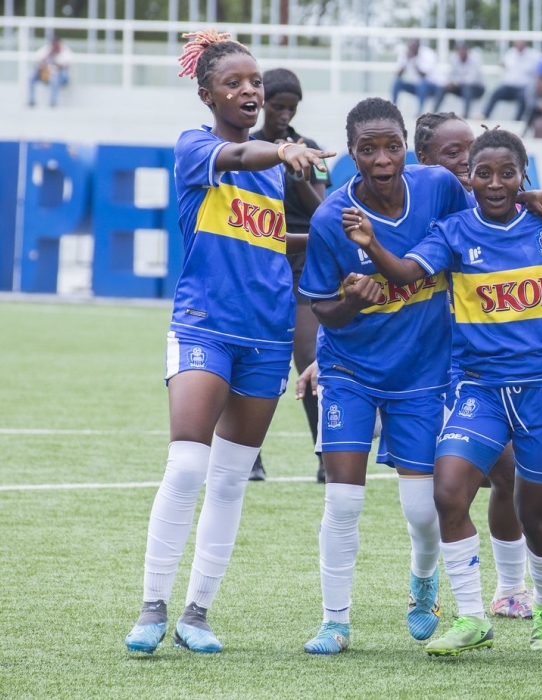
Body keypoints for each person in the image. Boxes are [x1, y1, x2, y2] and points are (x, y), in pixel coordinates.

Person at [341, 128, 542, 655]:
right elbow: (406, 272)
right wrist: (372, 244)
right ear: (470, 179)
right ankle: (472, 617)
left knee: (534, 514)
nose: (495, 182)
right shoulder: (453, 231)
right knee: (448, 490)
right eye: (484, 173)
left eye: (508, 173)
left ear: (525, 176)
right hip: (479, 387)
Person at [123, 29, 333, 655]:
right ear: (206, 93)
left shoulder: (276, 169)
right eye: (234, 82)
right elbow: (243, 160)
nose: (248, 90)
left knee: (232, 479)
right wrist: (285, 151)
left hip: (267, 337)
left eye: (255, 82)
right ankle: (152, 606)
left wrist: (335, 240)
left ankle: (197, 612)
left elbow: (274, 241)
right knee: (188, 463)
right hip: (204, 326)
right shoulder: (198, 149)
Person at [410, 111, 542, 619]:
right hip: (460, 368)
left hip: (523, 372)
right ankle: (430, 577)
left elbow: (519, 265)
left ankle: (512, 589)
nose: (460, 162)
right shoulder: (424, 203)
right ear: (426, 160)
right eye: (452, 154)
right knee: (454, 490)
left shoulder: (523, 206)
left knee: (507, 482)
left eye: (465, 150)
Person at [295, 97, 475, 655]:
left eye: (391, 146)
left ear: (406, 147)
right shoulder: (331, 218)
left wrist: (537, 201)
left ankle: (423, 588)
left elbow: (485, 225)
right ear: (351, 153)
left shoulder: (439, 188)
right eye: (368, 149)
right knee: (343, 501)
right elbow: (322, 308)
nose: (381, 159)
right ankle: (335, 621)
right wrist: (350, 300)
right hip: (350, 370)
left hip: (422, 371)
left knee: (423, 512)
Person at [250, 67, 331, 483]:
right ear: (262, 103)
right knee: (254, 356)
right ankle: (249, 457)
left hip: (302, 263)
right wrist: (274, 156)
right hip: (258, 260)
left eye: (291, 108)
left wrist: (297, 171)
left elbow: (322, 213)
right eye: (277, 106)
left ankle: (324, 456)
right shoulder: (245, 148)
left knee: (309, 358)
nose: (283, 114)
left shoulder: (310, 149)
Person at [482, 40, 538, 121]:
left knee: (523, 97)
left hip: (524, 86)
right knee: (495, 93)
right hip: (509, 85)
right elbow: (504, 64)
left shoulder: (533, 55)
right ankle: (485, 115)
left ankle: (517, 120)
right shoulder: (510, 53)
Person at [432, 43, 486, 117]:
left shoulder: (475, 60)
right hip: (460, 87)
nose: (460, 53)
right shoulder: (454, 58)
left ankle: (466, 113)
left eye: (462, 51)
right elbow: (450, 74)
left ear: (467, 51)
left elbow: (470, 80)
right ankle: (434, 112)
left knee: (467, 89)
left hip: (476, 88)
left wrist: (455, 83)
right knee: (442, 88)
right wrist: (449, 83)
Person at [391, 39, 442, 115]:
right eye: (410, 48)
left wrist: (414, 61)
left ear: (418, 47)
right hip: (417, 86)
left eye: (414, 48)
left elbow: (423, 75)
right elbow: (398, 74)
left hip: (432, 86)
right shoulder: (405, 54)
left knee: (422, 83)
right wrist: (406, 61)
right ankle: (393, 110)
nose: (412, 50)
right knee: (397, 82)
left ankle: (420, 111)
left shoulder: (428, 54)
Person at [27, 33, 73, 108]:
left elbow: (65, 65)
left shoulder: (65, 51)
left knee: (54, 79)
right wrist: (49, 55)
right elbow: (39, 62)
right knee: (31, 77)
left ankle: (53, 102)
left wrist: (54, 62)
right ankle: (31, 100)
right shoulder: (46, 49)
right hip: (46, 74)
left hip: (61, 76)